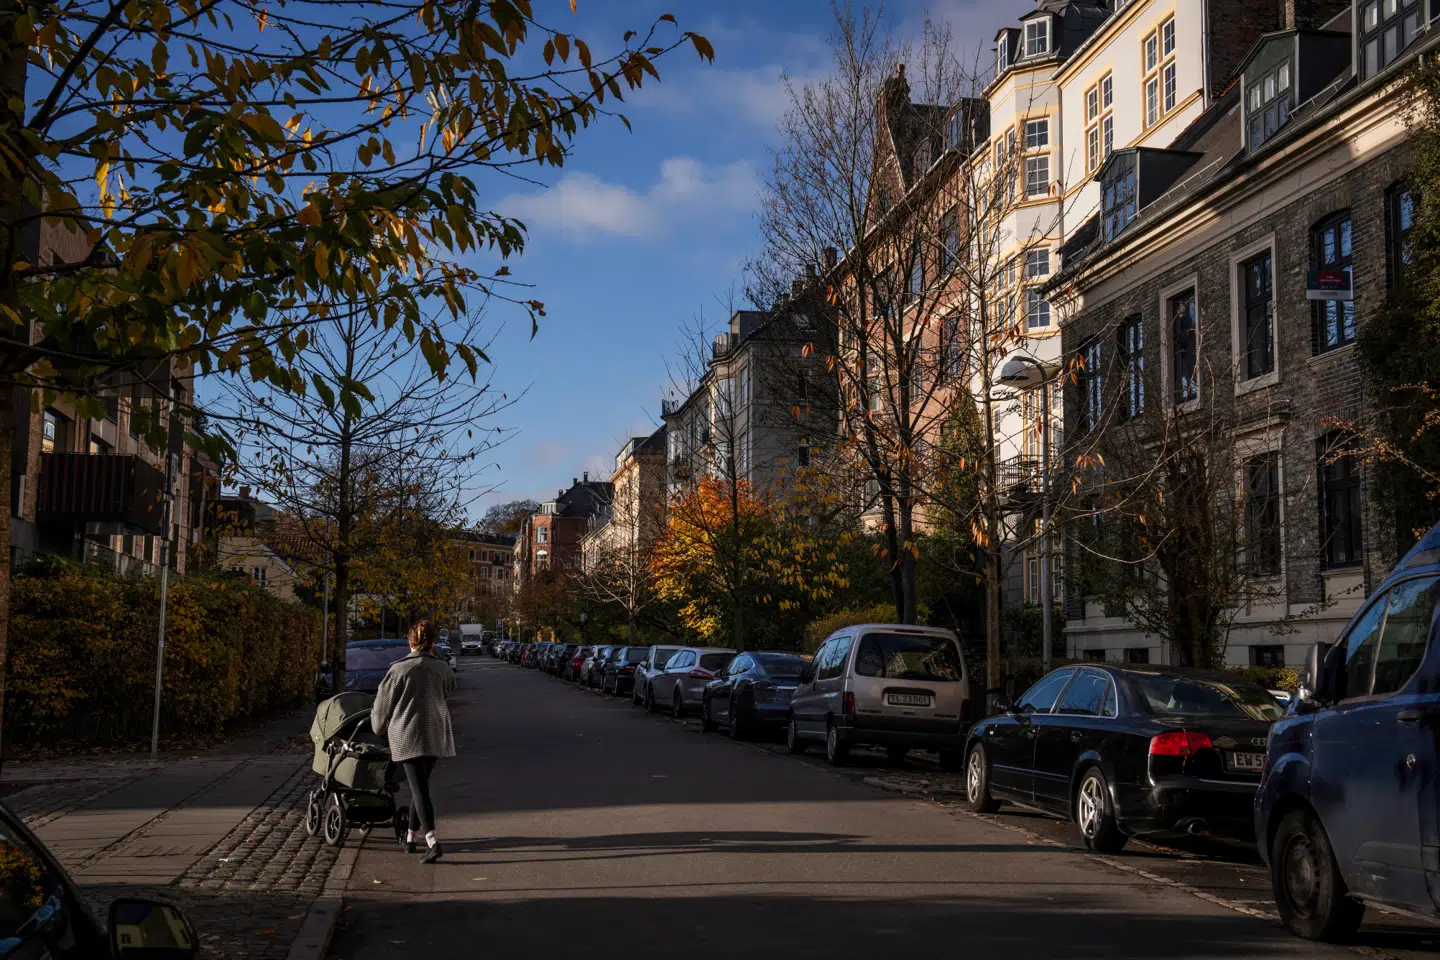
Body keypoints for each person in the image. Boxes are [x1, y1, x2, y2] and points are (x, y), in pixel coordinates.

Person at [371, 619, 455, 863]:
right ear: (432, 643)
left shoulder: (398, 670)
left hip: (407, 735)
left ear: (410, 643)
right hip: (436, 734)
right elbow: (450, 689)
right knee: (421, 788)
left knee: (419, 789)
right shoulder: (442, 669)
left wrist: (378, 728)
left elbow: (382, 707)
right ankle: (410, 838)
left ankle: (432, 841)